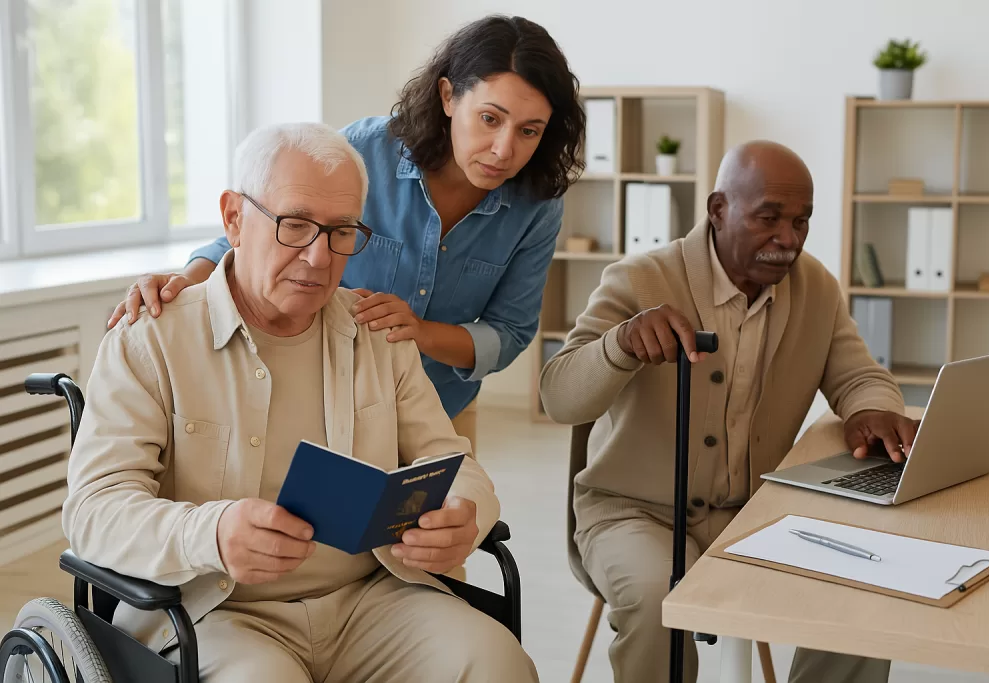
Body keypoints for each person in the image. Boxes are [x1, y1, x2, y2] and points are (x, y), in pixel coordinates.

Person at [63, 122, 537, 683]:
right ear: (234, 218)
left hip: (371, 599)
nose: (319, 257)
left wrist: (464, 514)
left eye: (342, 231)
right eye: (294, 225)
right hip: (212, 611)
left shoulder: (377, 334)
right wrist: (211, 533)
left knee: (497, 662)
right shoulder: (152, 338)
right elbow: (92, 512)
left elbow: (455, 465)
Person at [106, 14, 586, 455]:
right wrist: (180, 283)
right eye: (490, 119)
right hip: (330, 401)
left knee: (446, 519)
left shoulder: (538, 204)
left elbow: (509, 333)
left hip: (441, 407)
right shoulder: (364, 151)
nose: (504, 149)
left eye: (529, 131)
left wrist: (420, 333)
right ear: (447, 97)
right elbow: (258, 229)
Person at [539, 141, 919, 683]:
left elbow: (860, 375)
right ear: (718, 209)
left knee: (864, 586)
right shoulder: (638, 279)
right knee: (657, 598)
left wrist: (873, 408)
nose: (788, 239)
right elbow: (558, 396)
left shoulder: (816, 288)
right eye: (769, 218)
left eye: (801, 221)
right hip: (633, 513)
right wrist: (620, 344)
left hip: (759, 513)